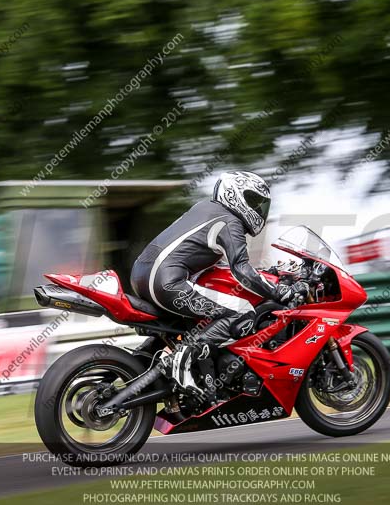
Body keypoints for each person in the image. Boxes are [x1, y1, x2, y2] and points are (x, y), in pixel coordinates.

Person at [130, 171, 307, 404]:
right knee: (242, 311)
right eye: (253, 201)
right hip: (166, 281)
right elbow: (241, 271)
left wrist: (269, 273)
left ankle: (151, 364)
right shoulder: (229, 221)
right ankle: (182, 361)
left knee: (193, 321)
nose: (257, 209)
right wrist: (278, 291)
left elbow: (217, 263)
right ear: (235, 194)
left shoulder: (206, 208)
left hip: (141, 275)